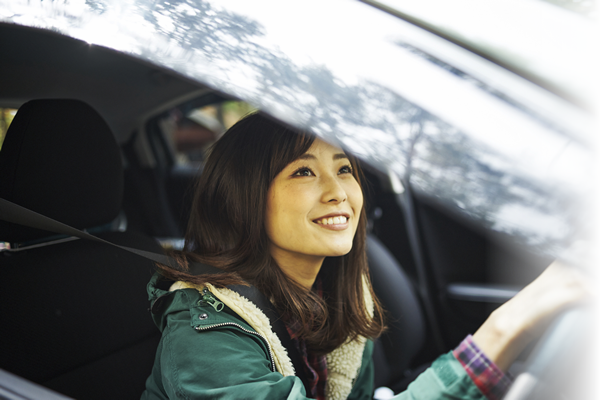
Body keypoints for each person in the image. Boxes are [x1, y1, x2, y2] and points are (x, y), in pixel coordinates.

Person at [141, 113, 600, 400]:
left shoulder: (333, 293)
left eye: (344, 168)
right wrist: (510, 323)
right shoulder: (206, 332)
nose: (338, 192)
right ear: (245, 198)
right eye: (303, 171)